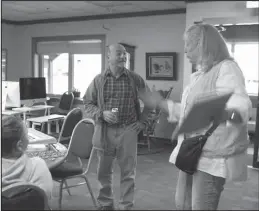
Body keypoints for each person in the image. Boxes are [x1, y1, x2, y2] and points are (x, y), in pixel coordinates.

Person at [142, 23, 252, 210]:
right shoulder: (202, 75)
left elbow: (239, 110)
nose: (184, 50)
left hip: (211, 158)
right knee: (182, 204)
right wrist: (161, 103)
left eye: (188, 45)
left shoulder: (227, 69)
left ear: (203, 45)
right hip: (193, 154)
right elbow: (188, 111)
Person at [83, 43, 153, 210]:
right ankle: (105, 205)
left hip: (128, 130)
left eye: (124, 54)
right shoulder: (98, 80)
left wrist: (143, 121)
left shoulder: (135, 79)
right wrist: (101, 113)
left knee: (128, 173)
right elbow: (87, 103)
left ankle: (126, 206)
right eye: (119, 53)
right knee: (103, 173)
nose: (123, 57)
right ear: (108, 57)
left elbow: (150, 101)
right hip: (104, 132)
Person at [1, 115, 53, 199]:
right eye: (27, 135)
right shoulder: (38, 166)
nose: (28, 140)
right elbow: (46, 197)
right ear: (19, 145)